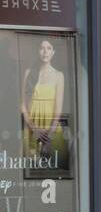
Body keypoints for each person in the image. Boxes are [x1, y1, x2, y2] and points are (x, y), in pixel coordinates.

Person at [21, 38, 67, 166]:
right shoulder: (28, 73)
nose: (45, 52)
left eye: (49, 48)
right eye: (42, 48)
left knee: (52, 169)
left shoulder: (59, 75)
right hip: (31, 128)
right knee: (30, 168)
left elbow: (58, 110)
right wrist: (34, 129)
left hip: (50, 130)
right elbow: (23, 106)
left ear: (53, 52)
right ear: (38, 51)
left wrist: (49, 137)